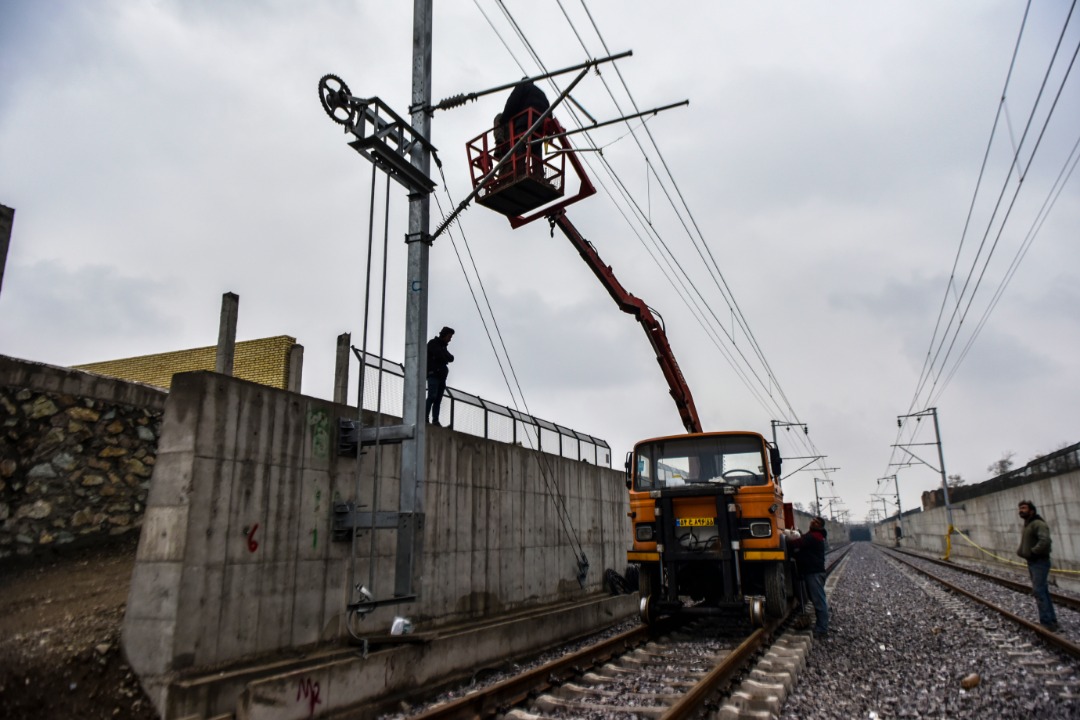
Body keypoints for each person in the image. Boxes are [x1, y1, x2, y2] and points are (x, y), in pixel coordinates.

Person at [1017, 500, 1059, 631]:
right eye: (1020, 508)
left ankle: (1047, 623)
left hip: (1039, 561)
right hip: (1033, 561)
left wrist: (1033, 552)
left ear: (1032, 510)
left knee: (1039, 591)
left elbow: (1045, 541)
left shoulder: (1038, 524)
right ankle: (1051, 620)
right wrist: (1021, 552)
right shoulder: (1029, 524)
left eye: (1024, 508)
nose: (1021, 510)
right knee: (1042, 590)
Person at [787, 516, 829, 638]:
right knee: (816, 598)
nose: (813, 522)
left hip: (814, 573)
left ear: (820, 526)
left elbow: (797, 543)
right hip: (812, 572)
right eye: (813, 520)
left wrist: (784, 539)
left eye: (816, 522)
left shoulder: (814, 536)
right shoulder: (814, 535)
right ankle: (821, 626)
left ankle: (822, 629)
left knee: (818, 600)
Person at [501, 80, 549, 175]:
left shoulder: (522, 86)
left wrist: (503, 119)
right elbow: (549, 111)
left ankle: (520, 171)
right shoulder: (541, 93)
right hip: (540, 125)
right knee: (536, 148)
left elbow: (512, 102)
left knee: (520, 145)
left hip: (524, 122)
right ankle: (538, 174)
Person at [425, 326, 455, 426]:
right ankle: (424, 417)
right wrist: (444, 357)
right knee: (432, 396)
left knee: (438, 399)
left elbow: (451, 358)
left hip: (441, 377)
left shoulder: (443, 347)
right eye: (449, 336)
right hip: (433, 374)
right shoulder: (433, 343)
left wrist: (444, 357)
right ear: (444, 335)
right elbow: (439, 355)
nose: (450, 339)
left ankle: (435, 420)